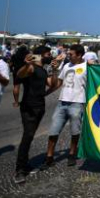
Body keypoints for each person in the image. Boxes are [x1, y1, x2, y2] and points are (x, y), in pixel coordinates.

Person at [14, 46, 64, 183]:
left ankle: (24, 164)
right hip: (28, 107)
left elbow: (52, 84)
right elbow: (19, 75)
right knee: (28, 135)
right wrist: (27, 64)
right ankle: (19, 169)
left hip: (39, 106)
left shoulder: (43, 70)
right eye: (48, 54)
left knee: (30, 136)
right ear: (41, 55)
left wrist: (55, 70)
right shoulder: (31, 68)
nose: (50, 56)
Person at [40, 44, 87, 170]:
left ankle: (72, 154)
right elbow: (58, 84)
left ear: (79, 55)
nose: (68, 56)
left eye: (71, 54)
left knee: (75, 131)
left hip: (78, 103)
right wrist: (45, 93)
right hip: (62, 103)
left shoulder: (88, 67)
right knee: (53, 130)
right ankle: (49, 157)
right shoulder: (66, 66)